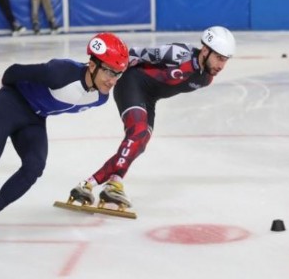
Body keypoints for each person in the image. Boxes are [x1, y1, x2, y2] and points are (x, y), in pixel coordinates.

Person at [0, 32, 129, 242]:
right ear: (92, 66)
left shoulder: (100, 98)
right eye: (109, 72)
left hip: (35, 119)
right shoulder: (60, 72)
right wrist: (8, 95)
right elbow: (13, 72)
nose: (113, 80)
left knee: (34, 167)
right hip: (11, 103)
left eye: (118, 74)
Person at [67, 26, 236, 209]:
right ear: (205, 50)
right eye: (219, 58)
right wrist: (98, 76)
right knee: (138, 133)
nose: (222, 66)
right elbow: (134, 55)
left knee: (140, 143)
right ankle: (87, 185)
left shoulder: (206, 78)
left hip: (149, 99)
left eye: (225, 60)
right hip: (131, 84)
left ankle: (114, 184)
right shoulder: (179, 54)